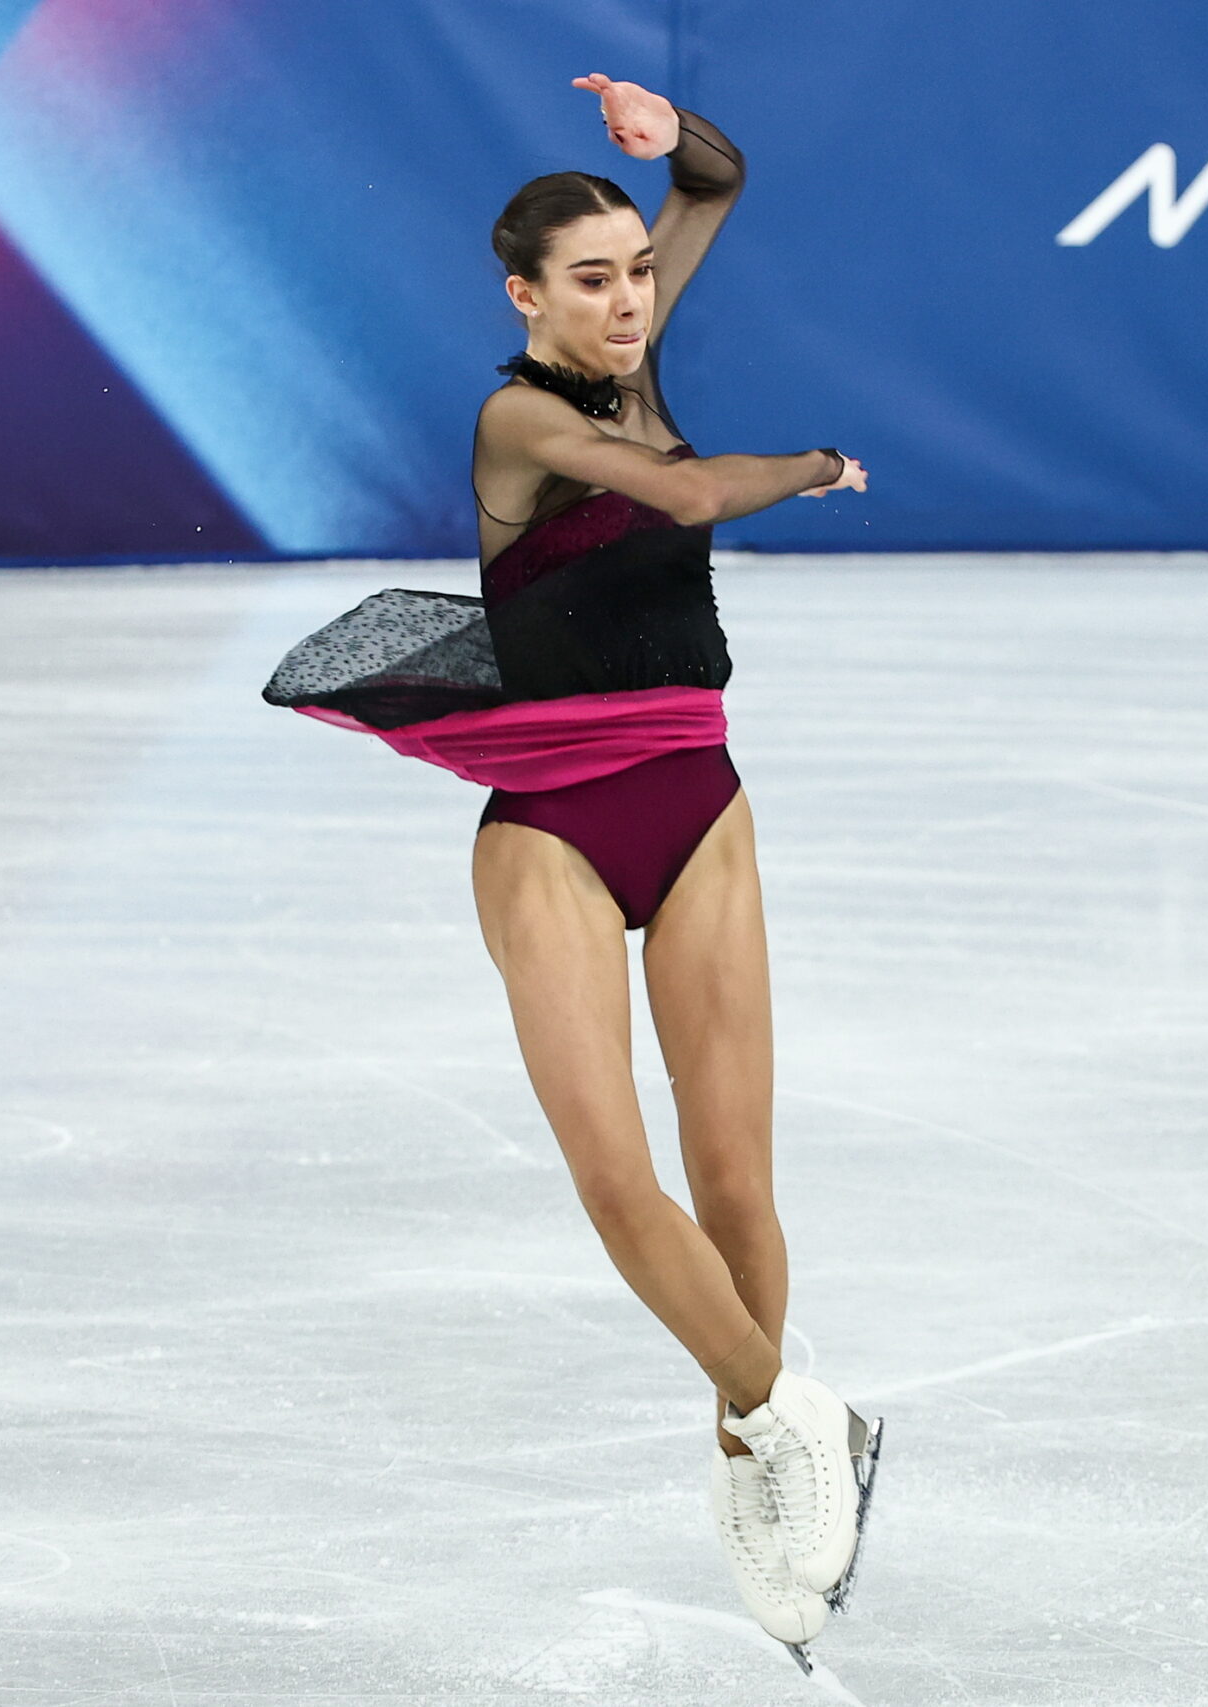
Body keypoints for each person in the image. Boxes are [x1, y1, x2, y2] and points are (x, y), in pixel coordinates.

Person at [260, 72, 877, 1666]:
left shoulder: (639, 352)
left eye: (638, 273)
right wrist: (811, 465)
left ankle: (758, 1463)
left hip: (701, 805)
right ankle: (798, 1417)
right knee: (621, 1183)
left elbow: (724, 185)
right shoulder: (520, 418)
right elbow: (677, 493)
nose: (625, 298)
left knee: (739, 1177)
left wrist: (672, 148)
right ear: (524, 295)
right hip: (552, 828)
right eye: (591, 278)